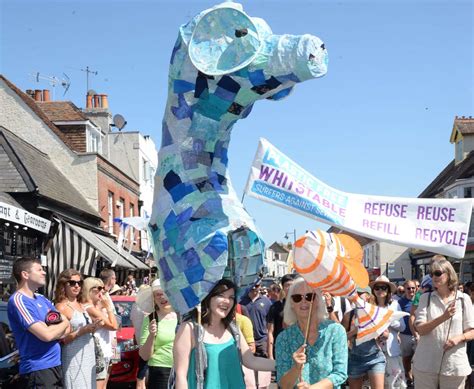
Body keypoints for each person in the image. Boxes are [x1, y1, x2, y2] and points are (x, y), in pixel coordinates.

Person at [173, 278, 275, 388]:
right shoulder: (189, 329)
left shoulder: (233, 328)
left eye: (231, 297)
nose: (227, 301)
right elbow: (181, 376)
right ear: (207, 297)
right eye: (221, 296)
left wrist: (285, 364)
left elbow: (251, 361)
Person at [7, 257, 70, 388]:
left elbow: (68, 329)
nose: (44, 272)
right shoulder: (19, 300)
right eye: (39, 269)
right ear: (25, 274)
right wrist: (62, 324)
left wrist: (57, 328)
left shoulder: (42, 299)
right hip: (38, 370)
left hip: (55, 365)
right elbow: (47, 335)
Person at [276, 277, 348, 388]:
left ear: (318, 301)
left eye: (310, 296)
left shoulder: (335, 331)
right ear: (291, 303)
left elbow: (340, 374)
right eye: (297, 298)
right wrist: (296, 368)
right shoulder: (284, 338)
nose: (304, 301)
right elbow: (283, 385)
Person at [413, 258, 474, 389]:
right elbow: (421, 330)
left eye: (438, 273)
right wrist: (444, 317)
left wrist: (459, 338)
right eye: (431, 274)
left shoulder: (464, 299)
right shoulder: (425, 298)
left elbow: (472, 331)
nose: (434, 277)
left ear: (449, 274)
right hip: (426, 365)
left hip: (454, 366)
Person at [54, 269, 100, 389]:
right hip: (73, 357)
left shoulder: (81, 305)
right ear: (63, 285)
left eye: (79, 283)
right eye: (72, 283)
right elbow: (62, 339)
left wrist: (94, 327)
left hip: (88, 356)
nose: (77, 286)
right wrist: (82, 331)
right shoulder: (61, 307)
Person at [342, 285, 385, 389]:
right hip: (355, 359)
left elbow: (385, 333)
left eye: (360, 294)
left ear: (368, 296)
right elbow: (341, 338)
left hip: (375, 357)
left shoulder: (376, 313)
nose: (356, 296)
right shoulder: (349, 315)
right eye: (354, 294)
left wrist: (381, 333)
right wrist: (355, 332)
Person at [139, 279, 177, 388]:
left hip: (183, 369)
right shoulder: (151, 319)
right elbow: (144, 356)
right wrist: (151, 335)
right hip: (160, 370)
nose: (162, 297)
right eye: (158, 295)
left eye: (165, 293)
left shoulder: (182, 316)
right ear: (154, 300)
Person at [82, 277, 119, 389]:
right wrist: (108, 309)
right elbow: (113, 326)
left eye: (103, 288)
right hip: (99, 351)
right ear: (89, 290)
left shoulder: (98, 304)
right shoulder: (89, 308)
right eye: (98, 288)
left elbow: (116, 325)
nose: (102, 291)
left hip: (109, 348)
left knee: (104, 384)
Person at [370, 275, 406, 389]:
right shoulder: (370, 306)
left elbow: (402, 327)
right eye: (377, 288)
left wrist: (388, 320)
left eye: (384, 288)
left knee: (394, 384)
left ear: (388, 290)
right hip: (374, 351)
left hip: (391, 352)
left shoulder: (395, 305)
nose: (380, 290)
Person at [240, 281, 273, 358]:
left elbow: (270, 321)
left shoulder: (266, 301)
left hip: (262, 340)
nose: (254, 288)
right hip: (246, 340)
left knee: (263, 366)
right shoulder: (241, 301)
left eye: (256, 285)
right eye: (252, 285)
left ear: (260, 286)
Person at [267, 274, 295, 360]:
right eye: (287, 285)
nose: (290, 288)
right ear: (283, 288)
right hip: (281, 348)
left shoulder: (302, 305)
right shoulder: (275, 307)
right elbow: (270, 331)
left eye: (292, 285)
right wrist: (270, 355)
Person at [398, 280, 417, 387]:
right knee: (407, 358)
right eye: (408, 288)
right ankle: (408, 376)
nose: (411, 290)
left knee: (419, 358)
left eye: (413, 288)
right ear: (404, 289)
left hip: (418, 334)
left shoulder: (420, 300)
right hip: (405, 335)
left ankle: (417, 377)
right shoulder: (400, 302)